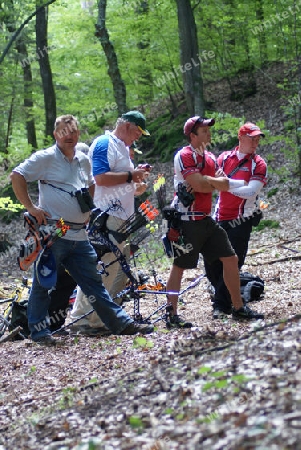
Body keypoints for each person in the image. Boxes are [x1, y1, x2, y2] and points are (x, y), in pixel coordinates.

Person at [10, 114, 154, 345]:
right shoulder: (45, 158)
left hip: (80, 234)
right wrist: (31, 207)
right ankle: (39, 333)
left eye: (74, 131)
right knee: (43, 284)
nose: (70, 136)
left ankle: (119, 324)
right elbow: (17, 175)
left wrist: (124, 190)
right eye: (64, 131)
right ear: (56, 134)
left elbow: (91, 187)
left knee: (94, 283)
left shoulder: (83, 159)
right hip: (55, 233)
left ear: (78, 134)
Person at [165, 116, 265, 328]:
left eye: (209, 131)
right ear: (192, 136)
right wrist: (212, 183)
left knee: (231, 259)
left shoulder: (210, 157)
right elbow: (201, 184)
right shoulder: (184, 155)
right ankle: (171, 314)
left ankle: (238, 308)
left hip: (207, 219)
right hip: (186, 220)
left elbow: (221, 183)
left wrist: (208, 181)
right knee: (180, 266)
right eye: (203, 131)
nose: (208, 134)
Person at [70, 111, 151, 334]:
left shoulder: (122, 148)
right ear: (126, 126)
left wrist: (136, 187)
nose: (138, 137)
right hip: (105, 216)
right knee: (101, 268)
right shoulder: (105, 143)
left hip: (119, 217)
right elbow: (100, 178)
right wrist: (130, 177)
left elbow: (119, 182)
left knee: (110, 268)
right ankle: (84, 321)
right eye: (137, 132)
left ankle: (96, 319)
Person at [204, 122, 267, 319]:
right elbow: (209, 181)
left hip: (242, 220)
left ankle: (222, 306)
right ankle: (228, 297)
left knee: (233, 262)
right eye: (252, 138)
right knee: (211, 262)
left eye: (258, 138)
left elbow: (250, 191)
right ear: (240, 138)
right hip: (219, 217)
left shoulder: (259, 163)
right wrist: (221, 183)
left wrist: (225, 184)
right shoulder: (222, 158)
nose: (255, 142)